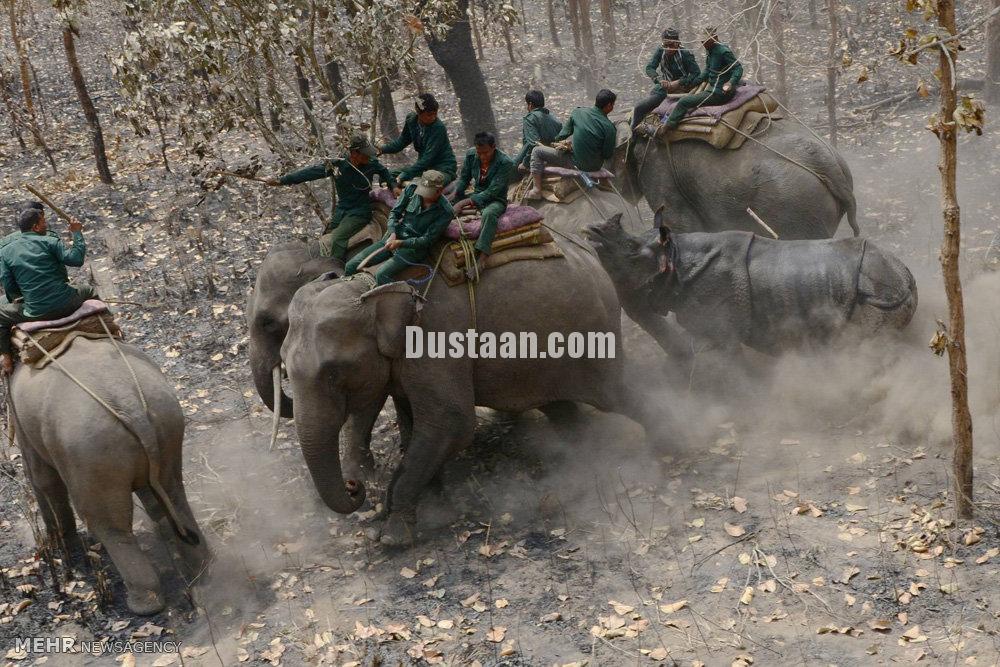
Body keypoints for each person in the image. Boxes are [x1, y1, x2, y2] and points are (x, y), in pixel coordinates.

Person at [267, 136, 397, 261]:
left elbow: (384, 171)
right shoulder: (337, 165)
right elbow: (309, 173)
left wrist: (393, 185)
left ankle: (335, 270)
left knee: (337, 239)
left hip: (360, 211)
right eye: (365, 154)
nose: (369, 157)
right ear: (354, 153)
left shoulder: (371, 163)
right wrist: (282, 180)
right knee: (326, 237)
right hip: (341, 210)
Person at [0, 207, 96, 374]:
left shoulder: (6, 251)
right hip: (69, 303)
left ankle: (6, 358)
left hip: (36, 312)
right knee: (89, 290)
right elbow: (76, 259)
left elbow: (8, 285)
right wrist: (77, 234)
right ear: (36, 227)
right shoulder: (50, 241)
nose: (46, 225)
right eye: (44, 222)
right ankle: (114, 329)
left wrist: (19, 297)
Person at [345, 170, 454, 286]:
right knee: (351, 266)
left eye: (428, 192)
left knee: (381, 275)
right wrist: (392, 232)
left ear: (440, 190)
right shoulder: (411, 189)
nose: (423, 195)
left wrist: (401, 243)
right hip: (393, 238)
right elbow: (395, 213)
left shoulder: (445, 212)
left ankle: (406, 299)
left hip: (413, 249)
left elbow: (427, 240)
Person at [526, 89, 618, 200]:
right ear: (609, 105)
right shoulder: (610, 127)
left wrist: (556, 143)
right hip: (595, 166)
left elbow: (562, 135)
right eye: (613, 104)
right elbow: (607, 154)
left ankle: (536, 190)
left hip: (576, 163)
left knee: (536, 151)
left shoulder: (577, 112)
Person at [450, 132, 515, 272]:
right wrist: (456, 194)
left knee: (490, 214)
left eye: (485, 153)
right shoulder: (471, 154)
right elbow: (464, 178)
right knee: (444, 203)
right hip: (476, 194)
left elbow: (493, 191)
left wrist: (462, 203)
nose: (482, 157)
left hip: (495, 199)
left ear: (494, 147)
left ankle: (482, 259)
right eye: (479, 153)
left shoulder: (506, 163)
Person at [662, 26, 744, 131]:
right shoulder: (710, 49)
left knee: (684, 102)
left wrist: (730, 82)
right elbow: (708, 70)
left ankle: (666, 128)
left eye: (705, 41)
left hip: (718, 92)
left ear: (715, 38)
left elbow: (738, 68)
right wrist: (694, 82)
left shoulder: (723, 51)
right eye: (702, 41)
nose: (702, 43)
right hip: (712, 87)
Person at [631, 28, 701, 130]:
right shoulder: (660, 50)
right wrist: (659, 80)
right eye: (665, 45)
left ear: (677, 43)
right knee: (639, 107)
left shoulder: (685, 54)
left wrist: (679, 82)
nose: (668, 48)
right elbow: (649, 68)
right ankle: (632, 136)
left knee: (672, 113)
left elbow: (696, 73)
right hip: (665, 88)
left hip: (683, 89)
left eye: (671, 45)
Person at [379, 93, 457, 183]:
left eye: (435, 114)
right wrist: (381, 150)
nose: (433, 117)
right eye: (429, 115)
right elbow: (401, 143)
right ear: (418, 111)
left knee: (430, 183)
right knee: (386, 175)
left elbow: (428, 158)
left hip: (442, 169)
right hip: (423, 169)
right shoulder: (411, 120)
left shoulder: (438, 128)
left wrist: (406, 174)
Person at [513, 90, 562, 174]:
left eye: (527, 104)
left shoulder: (530, 118)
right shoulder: (555, 120)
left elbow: (534, 144)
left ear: (530, 104)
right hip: (555, 155)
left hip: (538, 156)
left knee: (510, 167)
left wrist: (525, 163)